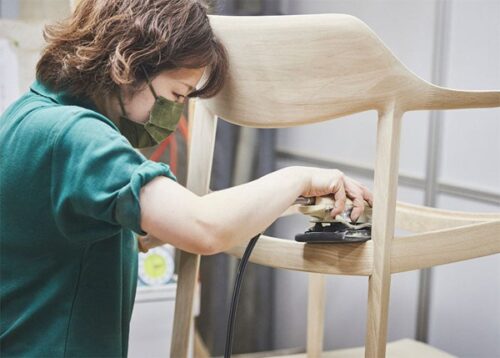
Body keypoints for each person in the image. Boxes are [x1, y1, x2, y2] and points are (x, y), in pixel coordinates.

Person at [0, 0, 373, 356]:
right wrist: (299, 176)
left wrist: (290, 202)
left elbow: (133, 231)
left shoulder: (28, 115)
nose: (175, 113)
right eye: (176, 94)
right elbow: (203, 226)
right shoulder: (77, 136)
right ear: (126, 64)